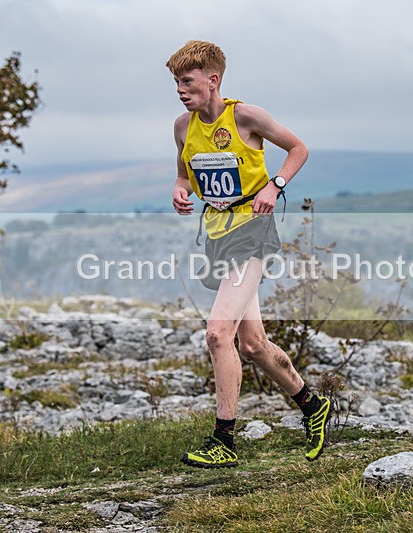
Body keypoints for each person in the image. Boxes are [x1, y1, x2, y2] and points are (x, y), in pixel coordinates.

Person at [166, 40, 330, 467]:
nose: (181, 90)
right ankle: (313, 406)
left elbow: (299, 148)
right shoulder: (183, 126)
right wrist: (180, 192)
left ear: (212, 79)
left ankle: (223, 441)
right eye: (177, 83)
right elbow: (184, 174)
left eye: (188, 81)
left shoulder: (246, 116)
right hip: (218, 233)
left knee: (218, 333)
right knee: (253, 344)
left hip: (253, 232)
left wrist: (276, 186)